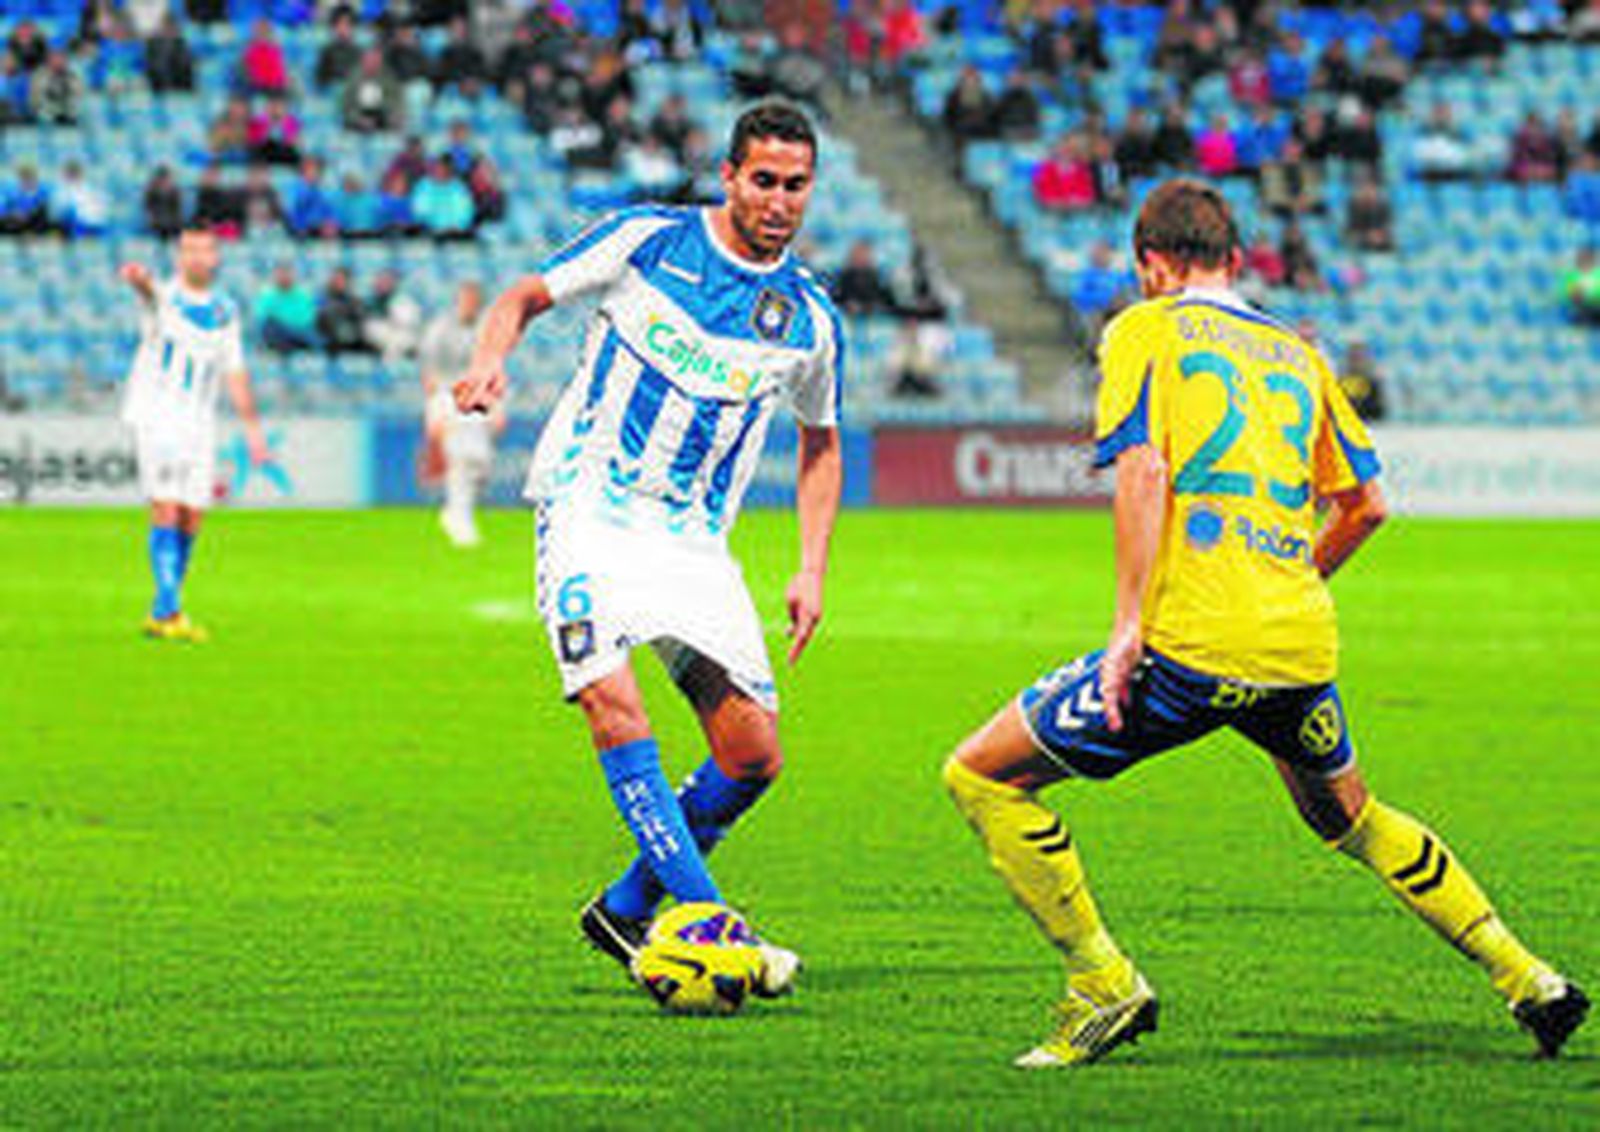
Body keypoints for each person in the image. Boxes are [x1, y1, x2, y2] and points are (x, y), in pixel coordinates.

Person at [940, 178, 1588, 1069]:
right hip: (1295, 645)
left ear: (1151, 267)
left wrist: (1127, 629)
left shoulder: (1144, 328)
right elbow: (1367, 507)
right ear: (1236, 262)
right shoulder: (1299, 352)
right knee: (1352, 819)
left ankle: (1103, 982)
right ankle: (1530, 978)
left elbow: (1142, 471)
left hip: (1190, 649)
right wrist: (1285, 582)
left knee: (982, 776)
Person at [452, 100, 843, 1000]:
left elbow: (821, 445)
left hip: (694, 543)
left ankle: (626, 908)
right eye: (764, 181)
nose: (780, 201)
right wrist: (490, 359)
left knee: (752, 757)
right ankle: (712, 927)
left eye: (796, 186)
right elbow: (521, 295)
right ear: (729, 176)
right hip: (589, 508)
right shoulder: (646, 241)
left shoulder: (811, 320)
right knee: (613, 703)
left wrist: (811, 566)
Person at [118, 225, 267, 641]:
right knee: (165, 507)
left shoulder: (225, 310)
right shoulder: (166, 298)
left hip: (201, 421)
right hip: (159, 415)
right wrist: (140, 281)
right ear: (179, 257)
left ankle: (162, 609)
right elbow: (148, 296)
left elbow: (234, 372)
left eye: (205, 249)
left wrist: (253, 431)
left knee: (192, 514)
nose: (197, 257)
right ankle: (170, 610)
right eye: (189, 250)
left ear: (216, 257)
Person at [420, 281, 500, 547]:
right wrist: (435, 410)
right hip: (448, 397)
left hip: (476, 398)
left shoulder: (484, 331)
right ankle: (458, 517)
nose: (469, 304)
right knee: (460, 458)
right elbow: (429, 373)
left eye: (473, 299)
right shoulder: (440, 329)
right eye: (466, 298)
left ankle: (456, 512)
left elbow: (493, 368)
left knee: (480, 460)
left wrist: (498, 406)